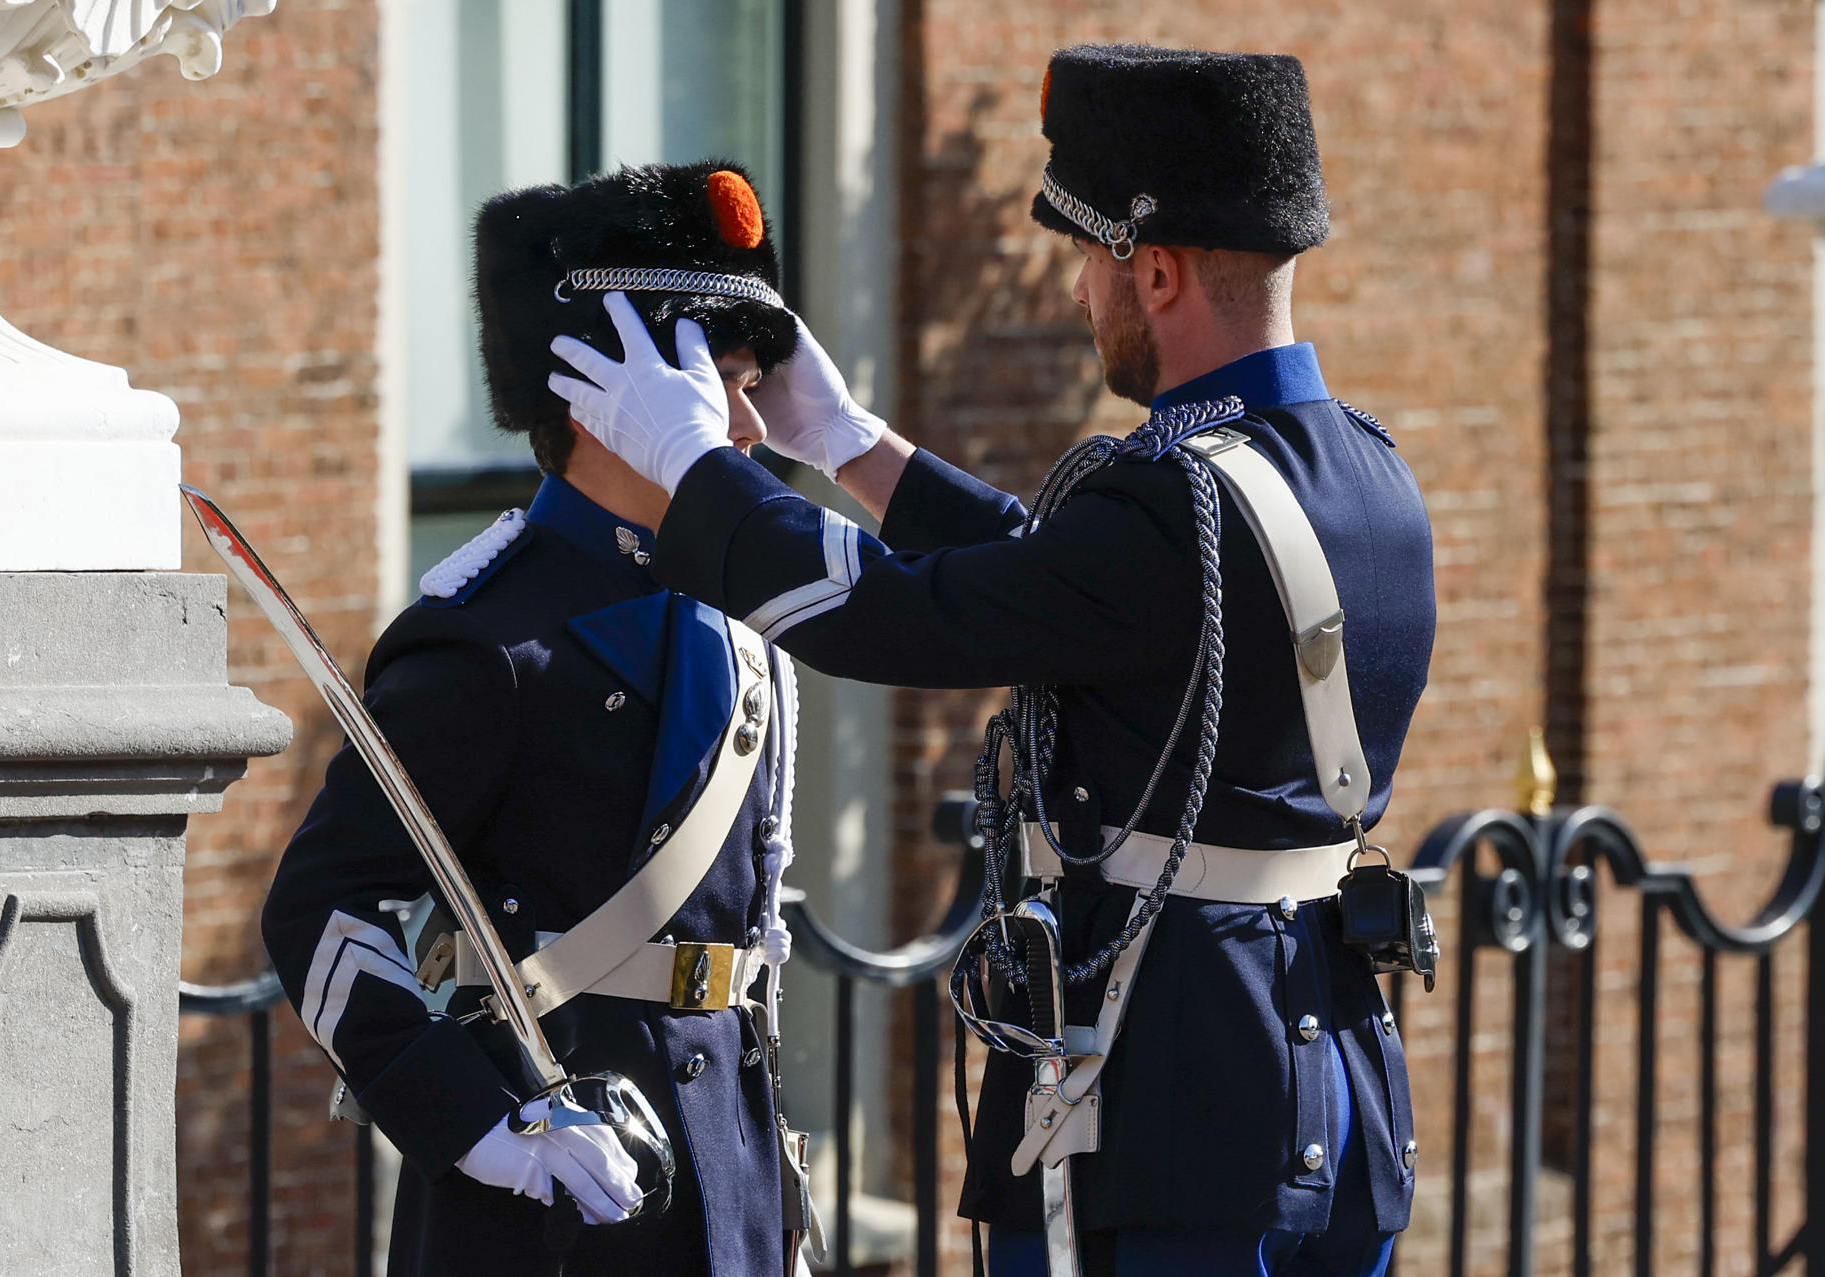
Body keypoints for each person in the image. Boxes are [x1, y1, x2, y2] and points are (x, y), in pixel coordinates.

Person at [547, 44, 1436, 1277]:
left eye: (1090, 257)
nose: (1080, 292)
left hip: (1167, 1109)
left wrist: (702, 469)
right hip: (1324, 1085)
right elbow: (1070, 588)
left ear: (1159, 271)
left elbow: (894, 617)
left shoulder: (1172, 506)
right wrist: (855, 449)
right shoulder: (1367, 471)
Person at [260, 160, 812, 1277]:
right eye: (727, 383)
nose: (750, 426)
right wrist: (482, 1126)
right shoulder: (487, 637)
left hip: (733, 1179)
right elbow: (322, 906)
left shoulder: (741, 610)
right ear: (613, 393)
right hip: (556, 1191)